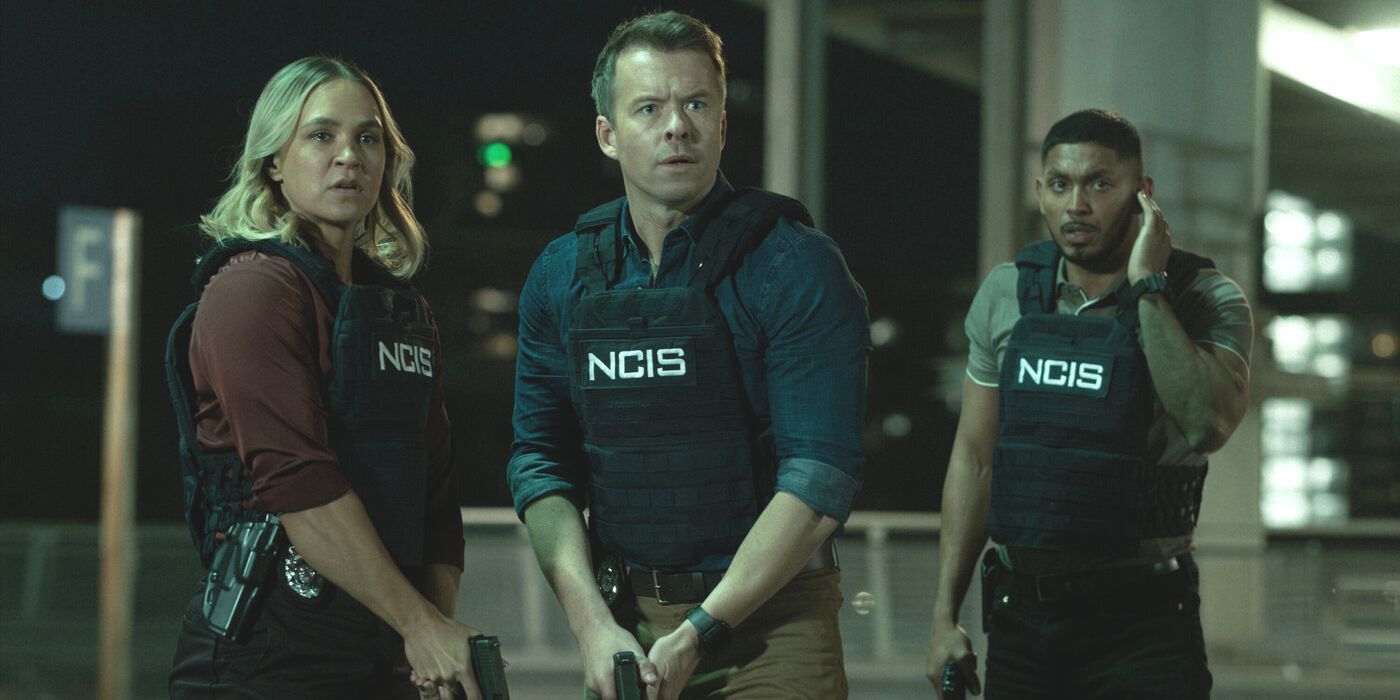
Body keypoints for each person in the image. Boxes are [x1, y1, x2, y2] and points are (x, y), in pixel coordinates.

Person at [507, 11, 870, 700]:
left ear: (725, 124)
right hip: (625, 632)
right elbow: (538, 460)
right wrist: (590, 627)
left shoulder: (793, 266)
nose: (677, 126)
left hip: (772, 630)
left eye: (697, 104)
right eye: (649, 108)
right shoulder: (560, 276)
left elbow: (820, 476)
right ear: (608, 136)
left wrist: (700, 631)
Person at [166, 56, 483, 700]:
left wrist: (430, 633)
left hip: (381, 646)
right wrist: (419, 623)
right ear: (273, 161)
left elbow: (436, 494)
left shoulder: (400, 309)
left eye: (368, 138)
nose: (349, 156)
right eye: (321, 135)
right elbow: (299, 484)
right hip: (268, 654)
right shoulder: (252, 288)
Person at [925, 109, 1254, 698]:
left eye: (1100, 184)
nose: (1076, 204)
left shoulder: (1204, 296)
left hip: (1143, 620)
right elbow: (975, 459)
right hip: (1022, 620)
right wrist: (943, 616)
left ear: (1143, 195)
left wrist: (1149, 287)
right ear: (1041, 193)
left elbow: (1208, 424)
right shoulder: (1007, 293)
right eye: (1060, 184)